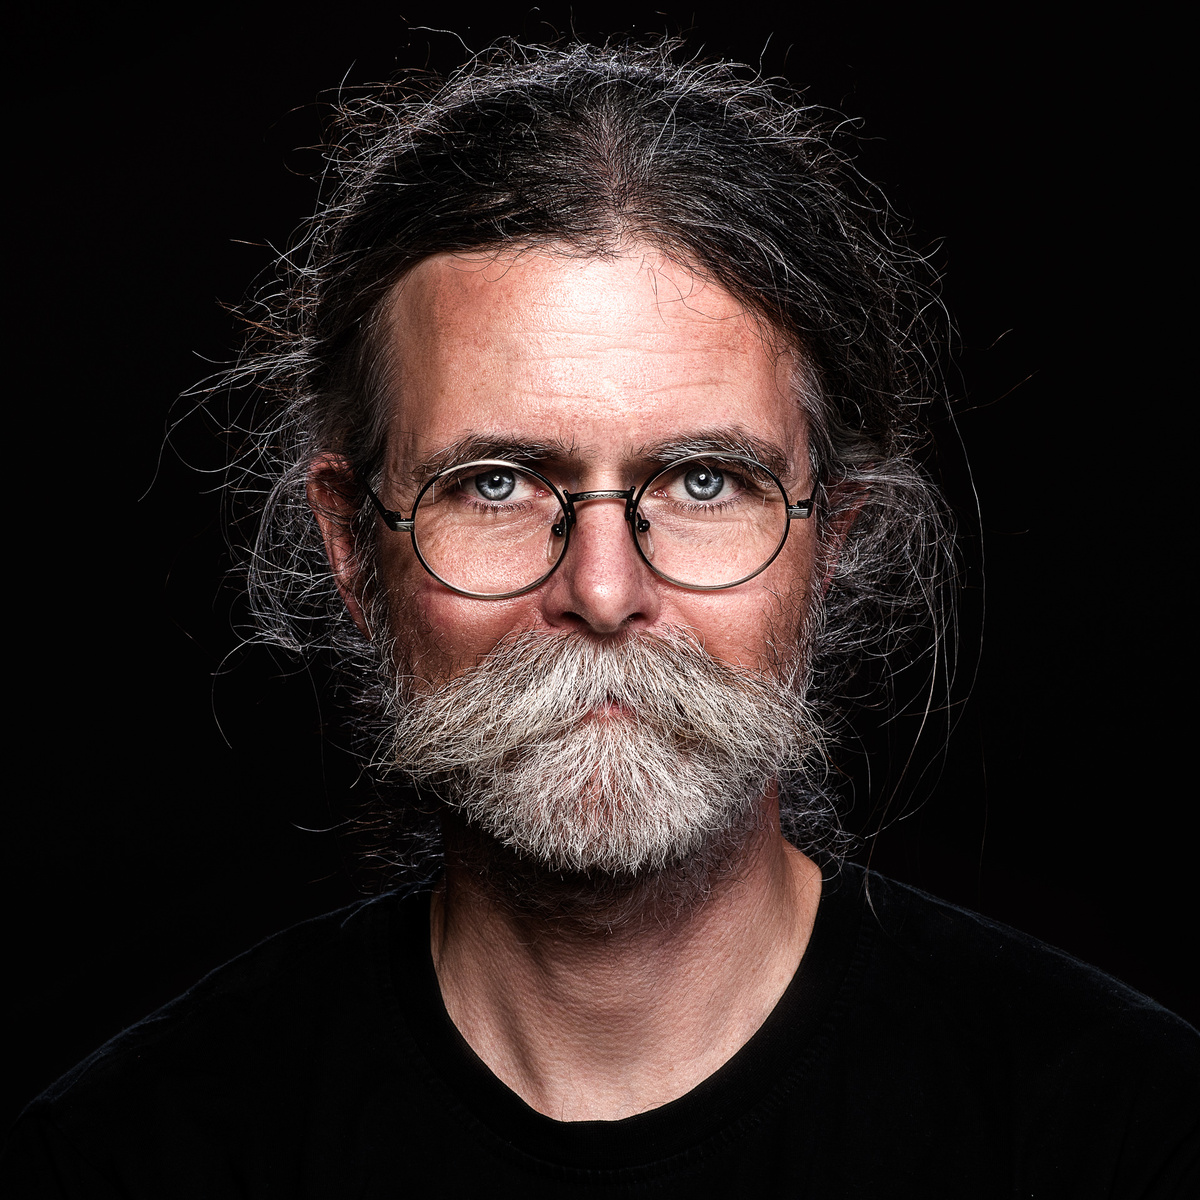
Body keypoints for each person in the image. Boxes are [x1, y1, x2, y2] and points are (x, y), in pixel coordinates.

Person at [5, 38, 1197, 1197]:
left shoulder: (1128, 1140)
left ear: (831, 543)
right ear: (354, 551)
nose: (605, 591)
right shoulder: (129, 1160)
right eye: (496, 484)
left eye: (704, 481)